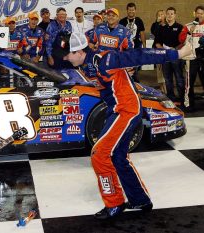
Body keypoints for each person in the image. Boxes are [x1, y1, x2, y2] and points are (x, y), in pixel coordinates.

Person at [62, 32, 192, 219]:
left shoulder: (104, 59)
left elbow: (140, 54)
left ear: (79, 51)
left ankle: (114, 204)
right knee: (118, 156)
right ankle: (140, 200)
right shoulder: (85, 64)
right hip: (117, 110)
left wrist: (177, 54)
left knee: (99, 155)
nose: (65, 58)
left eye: (68, 54)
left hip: (126, 110)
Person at [155, 7, 185, 106]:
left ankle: (182, 99)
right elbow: (157, 42)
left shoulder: (180, 27)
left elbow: (183, 42)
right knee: (168, 79)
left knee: (179, 78)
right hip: (166, 57)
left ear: (175, 15)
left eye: (172, 14)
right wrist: (162, 50)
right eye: (168, 13)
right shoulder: (161, 27)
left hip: (176, 56)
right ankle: (171, 99)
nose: (170, 15)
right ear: (166, 15)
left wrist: (174, 49)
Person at [179, 5, 204, 112]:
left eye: (201, 13)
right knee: (189, 83)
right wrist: (189, 32)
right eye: (198, 13)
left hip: (203, 59)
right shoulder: (188, 26)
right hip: (191, 58)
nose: (199, 15)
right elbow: (180, 39)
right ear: (194, 13)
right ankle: (189, 104)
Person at [151, 10, 167, 93]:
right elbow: (154, 33)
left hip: (166, 49)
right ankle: (162, 88)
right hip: (157, 50)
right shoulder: (155, 25)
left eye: (162, 14)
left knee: (166, 69)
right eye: (158, 15)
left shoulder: (168, 25)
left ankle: (167, 88)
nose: (160, 16)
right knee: (159, 69)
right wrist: (157, 23)